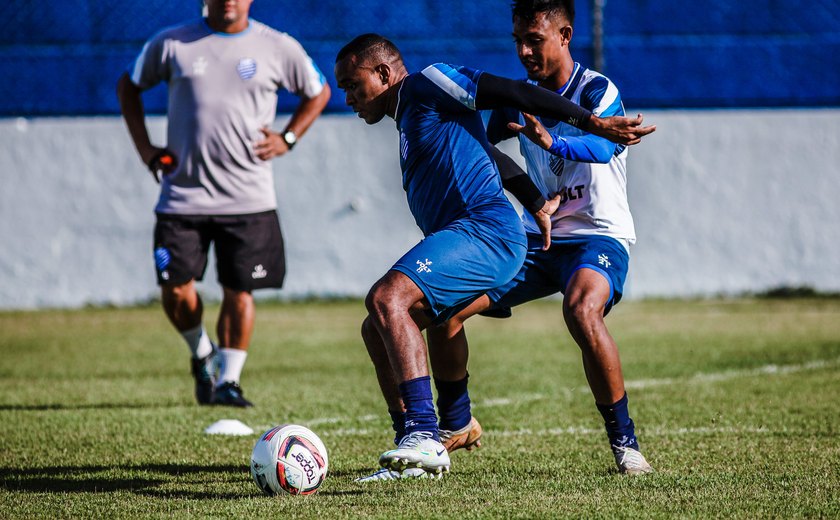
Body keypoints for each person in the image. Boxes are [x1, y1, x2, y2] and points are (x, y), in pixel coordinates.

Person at [333, 33, 654, 480]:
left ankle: (426, 435)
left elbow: (513, 90)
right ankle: (419, 443)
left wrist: (591, 122)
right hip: (490, 234)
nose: (346, 96)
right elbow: (484, 152)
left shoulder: (428, 82)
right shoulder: (413, 114)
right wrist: (536, 200)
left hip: (489, 233)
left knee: (388, 299)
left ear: (384, 73)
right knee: (379, 327)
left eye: (351, 84)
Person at [426, 0, 653, 476]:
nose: (525, 51)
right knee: (444, 309)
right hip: (538, 240)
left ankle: (625, 445)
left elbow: (609, 141)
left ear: (566, 35)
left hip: (597, 236)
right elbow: (482, 145)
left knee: (581, 308)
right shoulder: (517, 97)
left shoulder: (597, 89)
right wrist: (529, 197)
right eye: (518, 41)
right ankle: (457, 423)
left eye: (535, 40)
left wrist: (558, 142)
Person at [116, 0, 330, 407]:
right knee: (176, 290)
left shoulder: (278, 46)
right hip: (181, 198)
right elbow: (129, 86)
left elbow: (318, 92)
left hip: (249, 198)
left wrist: (287, 138)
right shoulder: (171, 43)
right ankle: (202, 353)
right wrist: (146, 150)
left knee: (240, 290)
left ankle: (229, 381)